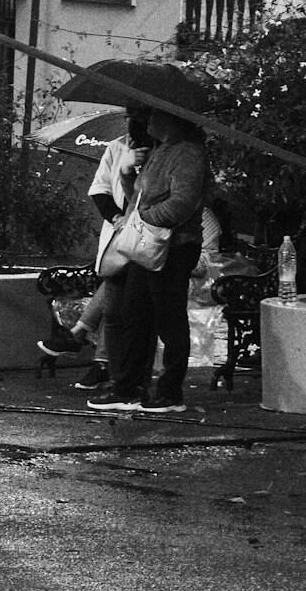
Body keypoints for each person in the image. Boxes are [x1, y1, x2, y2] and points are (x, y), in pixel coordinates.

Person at [87, 109, 208, 415]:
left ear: (169, 117)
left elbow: (183, 201)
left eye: (150, 114)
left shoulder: (188, 153)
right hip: (147, 245)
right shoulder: (159, 151)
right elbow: (138, 199)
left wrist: (143, 221)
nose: (144, 121)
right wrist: (129, 176)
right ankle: (127, 386)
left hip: (173, 246)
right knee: (135, 313)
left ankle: (170, 391)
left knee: (169, 318)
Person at [39, 108, 149, 390]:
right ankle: (97, 360)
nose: (132, 125)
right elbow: (100, 189)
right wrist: (117, 218)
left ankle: (82, 340)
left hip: (148, 239)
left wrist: (133, 173)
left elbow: (145, 197)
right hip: (120, 237)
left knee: (118, 301)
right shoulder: (117, 148)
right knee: (112, 301)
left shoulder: (161, 155)